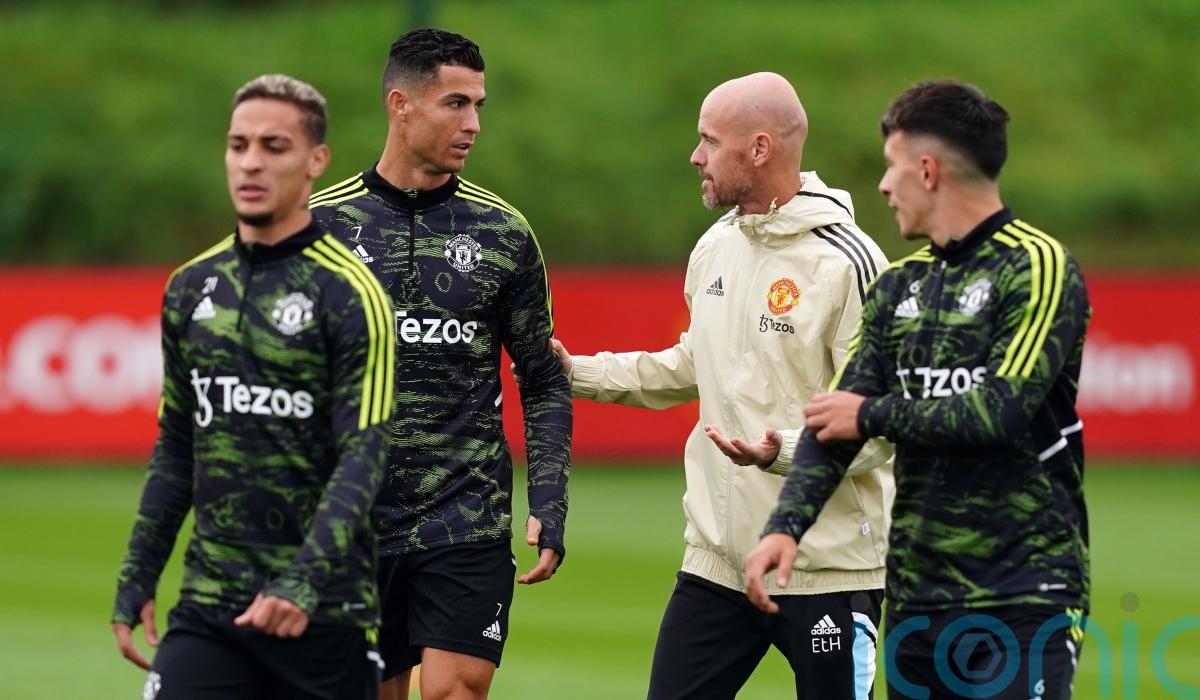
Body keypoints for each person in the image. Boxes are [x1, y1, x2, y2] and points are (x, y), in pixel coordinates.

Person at [550, 72, 893, 699]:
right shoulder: (716, 245)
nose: (695, 156)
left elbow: (881, 425)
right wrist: (579, 374)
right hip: (718, 564)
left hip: (828, 567)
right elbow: (694, 363)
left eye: (709, 140)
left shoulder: (848, 262)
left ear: (759, 149)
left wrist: (783, 449)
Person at [745, 80, 1091, 700]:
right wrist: (785, 526)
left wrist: (871, 414)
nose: (883, 185)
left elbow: (1000, 411)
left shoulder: (1037, 267)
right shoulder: (897, 286)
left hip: (1023, 596)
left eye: (892, 165)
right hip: (916, 603)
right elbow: (833, 421)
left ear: (928, 170)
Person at [111, 74, 395, 699]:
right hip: (210, 604)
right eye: (238, 145)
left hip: (322, 613)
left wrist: (304, 581)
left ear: (316, 161)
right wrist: (138, 575)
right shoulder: (191, 287)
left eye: (274, 146)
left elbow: (364, 455)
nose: (251, 163)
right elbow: (177, 446)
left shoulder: (350, 292)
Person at [309, 28, 572, 700]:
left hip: (465, 514)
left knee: (456, 689)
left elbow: (543, 379)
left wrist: (549, 499)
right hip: (350, 518)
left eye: (479, 105)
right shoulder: (318, 230)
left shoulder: (503, 233)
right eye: (456, 104)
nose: (473, 124)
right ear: (401, 105)